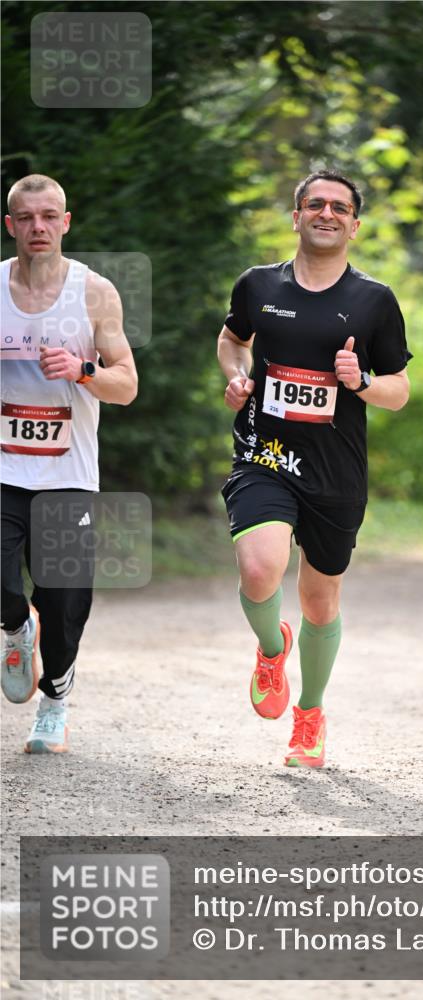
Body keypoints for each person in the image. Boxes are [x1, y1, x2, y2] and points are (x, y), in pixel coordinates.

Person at [218, 169, 411, 767]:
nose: (326, 212)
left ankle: (309, 713)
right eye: (314, 203)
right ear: (296, 215)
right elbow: (231, 340)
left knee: (320, 603)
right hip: (265, 455)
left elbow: (400, 390)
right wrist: (237, 375)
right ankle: (271, 650)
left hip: (336, 471)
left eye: (339, 206)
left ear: (355, 224)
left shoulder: (373, 301)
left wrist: (363, 383)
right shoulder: (258, 284)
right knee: (259, 571)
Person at [1, 174, 138, 752]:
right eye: (26, 217)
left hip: (67, 476)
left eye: (49, 216)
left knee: (63, 599)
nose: (38, 227)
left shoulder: (94, 292)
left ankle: (54, 701)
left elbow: (127, 385)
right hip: (3, 471)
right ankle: (14, 628)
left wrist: (82, 371)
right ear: (10, 225)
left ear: (66, 222)